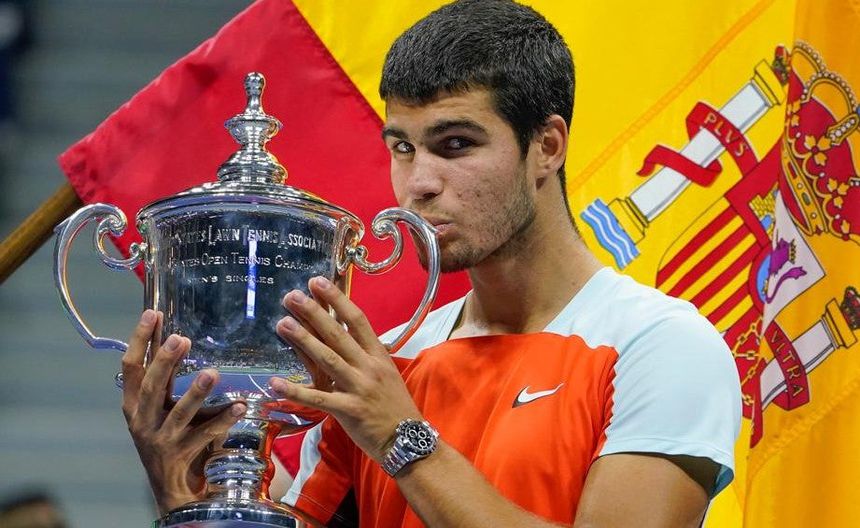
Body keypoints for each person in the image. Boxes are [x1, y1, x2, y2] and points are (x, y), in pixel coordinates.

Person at [122, 0, 741, 526]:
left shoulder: (661, 345)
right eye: (402, 147)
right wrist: (187, 496)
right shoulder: (383, 366)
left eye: (455, 145)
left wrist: (402, 439)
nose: (418, 182)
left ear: (546, 147)